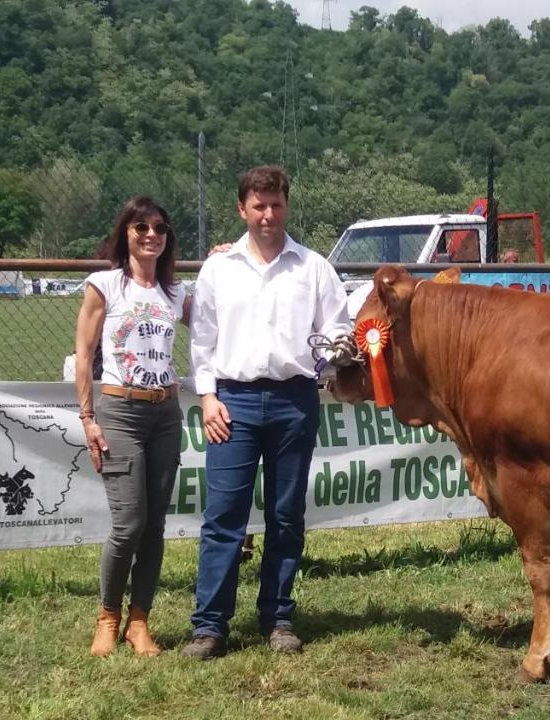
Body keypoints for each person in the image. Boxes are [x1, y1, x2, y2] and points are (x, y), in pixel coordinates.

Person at [183, 165, 351, 659]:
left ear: (286, 206)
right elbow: (202, 340)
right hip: (231, 403)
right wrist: (208, 397)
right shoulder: (218, 268)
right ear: (242, 209)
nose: (268, 215)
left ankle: (278, 619)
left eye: (275, 204)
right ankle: (209, 626)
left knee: (285, 515)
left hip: (293, 400)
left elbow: (337, 328)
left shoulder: (314, 267)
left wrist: (340, 351)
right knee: (223, 517)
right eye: (258, 206)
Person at [74, 196, 190, 658]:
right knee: (129, 525)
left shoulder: (175, 293)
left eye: (159, 228)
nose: (150, 235)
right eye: (140, 227)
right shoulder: (104, 285)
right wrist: (88, 418)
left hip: (165, 413)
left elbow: (221, 311)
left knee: (155, 526)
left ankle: (140, 621)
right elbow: (84, 355)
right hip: (120, 411)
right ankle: (108, 616)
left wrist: (228, 256)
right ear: (125, 233)